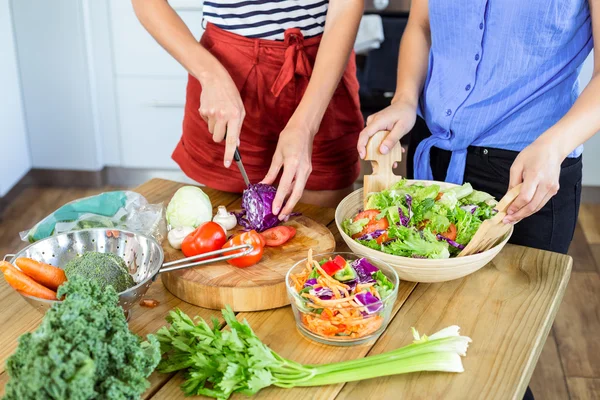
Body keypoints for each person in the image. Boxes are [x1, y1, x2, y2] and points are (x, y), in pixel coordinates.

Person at [358, 0, 598, 257]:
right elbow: (421, 26)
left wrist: (554, 146)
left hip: (526, 172)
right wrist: (404, 98)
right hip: (432, 154)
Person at [132, 0, 364, 219]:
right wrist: (210, 75)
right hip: (229, 72)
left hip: (322, 74)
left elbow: (346, 5)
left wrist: (306, 124)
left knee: (323, 227)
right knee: (222, 231)